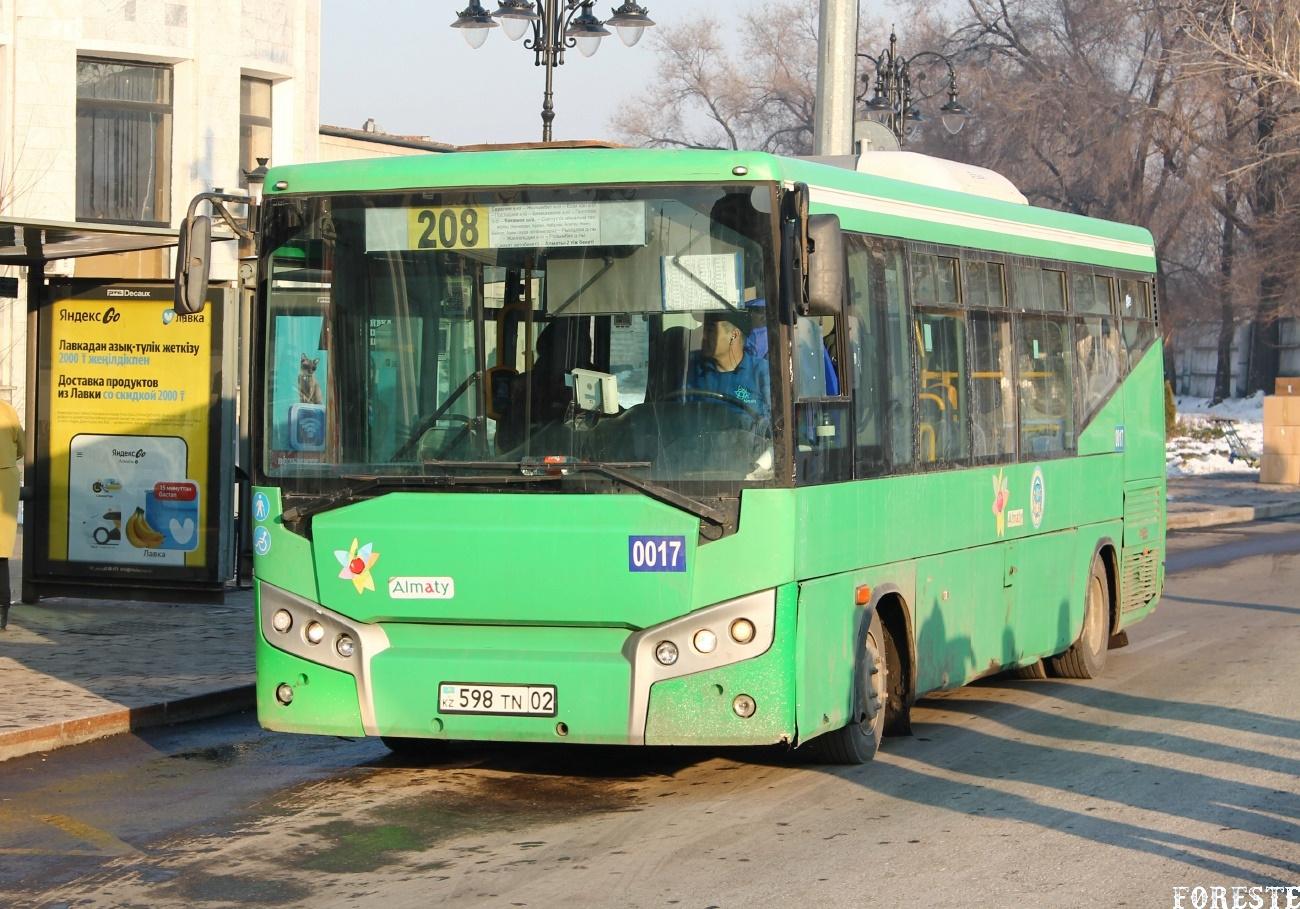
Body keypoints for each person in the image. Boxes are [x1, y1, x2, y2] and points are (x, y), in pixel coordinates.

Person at [686, 311, 771, 418]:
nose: (703, 337)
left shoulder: (763, 372)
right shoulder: (692, 368)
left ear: (734, 335)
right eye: (703, 330)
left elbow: (773, 421)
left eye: (710, 330)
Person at [0, 398, 23, 630]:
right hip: (6, 479)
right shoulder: (7, 410)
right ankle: (1, 615)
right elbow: (22, 448)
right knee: (1, 553)